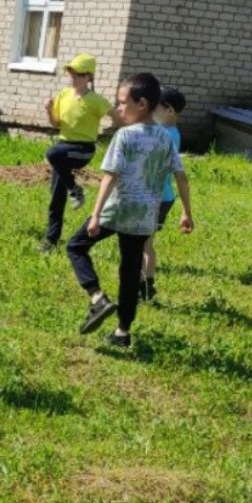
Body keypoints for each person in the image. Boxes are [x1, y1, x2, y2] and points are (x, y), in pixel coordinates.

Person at [67, 72, 193, 348]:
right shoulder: (165, 138)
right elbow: (180, 176)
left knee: (76, 246)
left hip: (118, 210)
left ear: (143, 104)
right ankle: (123, 332)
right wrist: (186, 213)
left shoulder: (124, 136)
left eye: (124, 103)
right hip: (144, 216)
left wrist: (97, 214)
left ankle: (97, 299)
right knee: (130, 270)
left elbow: (110, 176)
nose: (119, 108)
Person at [39, 53, 111, 252]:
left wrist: (112, 134)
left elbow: (117, 118)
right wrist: (49, 109)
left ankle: (74, 188)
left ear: (89, 77)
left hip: (83, 149)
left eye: (78, 73)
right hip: (63, 149)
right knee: (56, 198)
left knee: (52, 154)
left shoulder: (96, 100)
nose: (73, 77)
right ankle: (50, 241)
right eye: (71, 72)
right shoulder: (64, 95)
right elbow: (56, 124)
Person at [140, 86, 187, 302]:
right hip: (164, 196)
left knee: (142, 245)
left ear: (169, 110)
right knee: (146, 244)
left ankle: (144, 288)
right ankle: (146, 287)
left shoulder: (163, 135)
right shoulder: (172, 133)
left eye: (155, 105)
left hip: (153, 197)